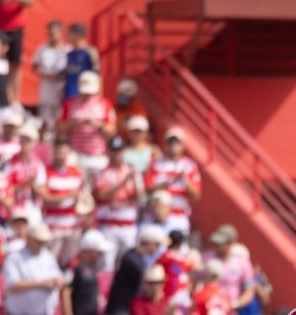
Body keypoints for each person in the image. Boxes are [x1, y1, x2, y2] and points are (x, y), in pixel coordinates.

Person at [100, 224, 165, 315]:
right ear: (148, 243)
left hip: (127, 312)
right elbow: (146, 279)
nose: (157, 249)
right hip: (118, 312)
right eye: (156, 244)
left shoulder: (138, 258)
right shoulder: (131, 259)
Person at [1, 218, 63, 315]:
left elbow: (59, 277)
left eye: (44, 241)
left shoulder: (48, 257)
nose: (42, 244)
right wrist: (42, 283)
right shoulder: (15, 258)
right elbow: (12, 285)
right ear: (29, 238)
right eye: (39, 241)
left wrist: (58, 281)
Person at [92, 136, 142, 264]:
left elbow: (140, 195)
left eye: (119, 150)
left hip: (128, 225)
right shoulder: (101, 173)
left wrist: (135, 180)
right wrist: (123, 182)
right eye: (113, 150)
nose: (116, 154)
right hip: (108, 225)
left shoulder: (132, 171)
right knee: (106, 264)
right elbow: (101, 196)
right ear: (108, 151)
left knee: (128, 263)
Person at [144, 128, 201, 236]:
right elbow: (147, 189)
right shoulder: (156, 163)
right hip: (157, 215)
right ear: (165, 144)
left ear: (182, 145)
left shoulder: (190, 165)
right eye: (170, 143)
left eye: (177, 143)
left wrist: (185, 180)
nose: (173, 146)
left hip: (179, 216)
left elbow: (196, 195)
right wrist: (170, 182)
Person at [60, 70, 113, 174]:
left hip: (98, 155)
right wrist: (75, 123)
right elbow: (60, 128)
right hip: (75, 153)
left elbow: (112, 130)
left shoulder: (105, 104)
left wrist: (98, 124)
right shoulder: (69, 104)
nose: (87, 95)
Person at [30, 20, 66, 133]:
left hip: (62, 90)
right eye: (49, 33)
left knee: (60, 119)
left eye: (54, 32)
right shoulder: (42, 49)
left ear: (61, 33)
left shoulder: (68, 50)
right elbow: (34, 67)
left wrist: (60, 76)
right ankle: (43, 146)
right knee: (44, 119)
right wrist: (46, 75)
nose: (52, 35)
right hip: (46, 91)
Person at [61, 22, 97, 104]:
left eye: (70, 34)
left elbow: (97, 76)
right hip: (68, 97)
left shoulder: (90, 53)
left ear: (78, 35)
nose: (67, 37)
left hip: (84, 97)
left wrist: (98, 98)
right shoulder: (68, 54)